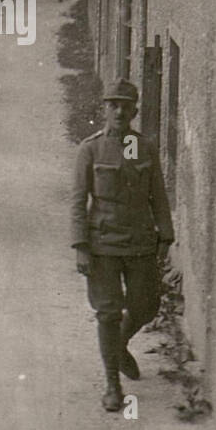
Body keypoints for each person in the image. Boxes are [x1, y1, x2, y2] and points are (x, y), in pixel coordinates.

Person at [71, 79, 175, 411]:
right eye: (113, 104)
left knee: (147, 305)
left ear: (135, 110)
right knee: (108, 313)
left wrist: (166, 235)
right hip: (103, 243)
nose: (119, 111)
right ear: (104, 108)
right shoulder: (90, 149)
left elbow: (157, 195)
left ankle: (121, 344)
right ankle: (112, 384)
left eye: (125, 105)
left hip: (141, 241)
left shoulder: (144, 148)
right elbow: (77, 202)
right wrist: (80, 245)